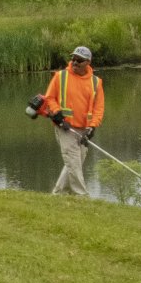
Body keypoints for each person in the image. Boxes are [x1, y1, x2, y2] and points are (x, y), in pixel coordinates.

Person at [35, 45, 104, 196]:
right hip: (64, 127)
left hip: (84, 129)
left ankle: (58, 194)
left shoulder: (96, 82)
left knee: (75, 163)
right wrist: (57, 112)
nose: (74, 62)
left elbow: (99, 108)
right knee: (73, 162)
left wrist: (92, 127)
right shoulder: (61, 76)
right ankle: (82, 196)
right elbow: (50, 98)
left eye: (79, 60)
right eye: (73, 58)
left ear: (87, 62)